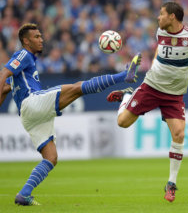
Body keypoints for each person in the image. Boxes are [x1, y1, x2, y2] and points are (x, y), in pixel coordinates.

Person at [0, 23, 142, 206]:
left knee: (51, 158)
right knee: (77, 88)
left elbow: (4, 89)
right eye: (36, 37)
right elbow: (4, 72)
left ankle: (24, 195)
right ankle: (125, 76)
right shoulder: (23, 54)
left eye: (40, 36)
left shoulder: (29, 63)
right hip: (31, 103)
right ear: (26, 41)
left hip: (28, 117)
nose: (41, 39)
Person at [107, 1, 188, 202]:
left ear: (172, 16)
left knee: (179, 134)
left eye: (161, 14)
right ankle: (127, 95)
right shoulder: (160, 33)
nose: (158, 18)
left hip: (174, 95)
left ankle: (171, 183)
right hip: (151, 87)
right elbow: (159, 53)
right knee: (122, 122)